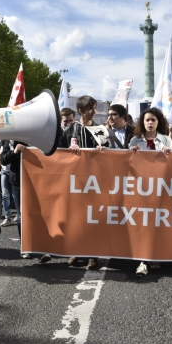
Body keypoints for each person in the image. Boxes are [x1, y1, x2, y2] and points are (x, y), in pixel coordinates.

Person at [59, 95, 108, 269]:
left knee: (93, 218)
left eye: (94, 108)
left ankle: (93, 255)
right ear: (80, 110)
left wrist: (104, 151)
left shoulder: (101, 130)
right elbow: (58, 153)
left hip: (95, 181)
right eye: (89, 108)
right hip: (75, 182)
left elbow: (111, 155)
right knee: (76, 218)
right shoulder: (70, 130)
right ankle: (76, 251)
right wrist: (67, 151)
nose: (93, 112)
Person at [128, 107, 172, 276]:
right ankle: (142, 259)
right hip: (140, 188)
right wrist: (131, 154)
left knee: (156, 222)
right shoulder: (134, 141)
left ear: (158, 122)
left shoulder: (166, 140)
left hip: (160, 188)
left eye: (153, 120)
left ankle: (155, 255)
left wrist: (169, 154)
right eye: (147, 120)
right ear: (142, 122)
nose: (150, 123)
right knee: (141, 222)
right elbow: (127, 165)